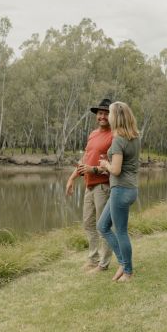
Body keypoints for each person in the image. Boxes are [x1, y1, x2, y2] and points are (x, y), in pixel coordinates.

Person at [66, 98, 114, 273]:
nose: (102, 116)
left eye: (106, 113)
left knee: (103, 226)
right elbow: (84, 159)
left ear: (111, 116)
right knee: (88, 224)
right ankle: (93, 259)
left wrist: (93, 170)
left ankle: (103, 264)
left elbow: (114, 166)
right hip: (89, 186)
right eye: (100, 113)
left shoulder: (114, 136)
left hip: (103, 186)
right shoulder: (93, 134)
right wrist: (72, 178)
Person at [97, 101, 140, 283]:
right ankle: (123, 262)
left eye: (111, 114)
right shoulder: (135, 137)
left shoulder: (118, 140)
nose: (109, 117)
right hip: (130, 189)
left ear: (116, 117)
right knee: (102, 226)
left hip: (121, 190)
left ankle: (128, 271)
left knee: (121, 231)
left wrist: (106, 164)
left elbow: (115, 170)